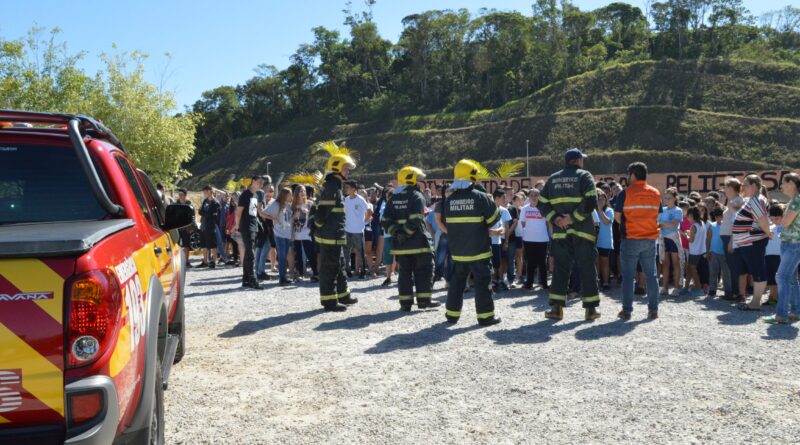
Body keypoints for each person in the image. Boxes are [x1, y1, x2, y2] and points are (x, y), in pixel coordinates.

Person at [538, 148, 601, 321]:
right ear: (578, 160)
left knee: (560, 270)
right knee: (587, 268)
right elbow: (591, 200)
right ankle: (590, 310)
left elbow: (541, 204)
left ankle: (557, 310)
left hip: (560, 233)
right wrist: (572, 218)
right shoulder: (584, 175)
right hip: (582, 232)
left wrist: (557, 219)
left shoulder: (553, 178)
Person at [442, 159, 501, 326]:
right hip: (479, 251)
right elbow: (494, 219)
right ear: (473, 175)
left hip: (459, 252)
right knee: (482, 283)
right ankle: (485, 316)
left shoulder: (449, 200)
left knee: (457, 283)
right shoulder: (480, 197)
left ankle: (452, 315)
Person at [382, 166, 440, 311]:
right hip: (418, 242)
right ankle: (424, 301)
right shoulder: (416, 196)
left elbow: (385, 220)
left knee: (405, 274)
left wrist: (397, 233)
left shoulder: (394, 198)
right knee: (424, 270)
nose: (419, 182)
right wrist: (406, 232)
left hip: (401, 245)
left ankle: (405, 303)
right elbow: (416, 219)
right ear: (411, 179)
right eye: (418, 179)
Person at [614, 162, 662, 320]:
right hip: (650, 239)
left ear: (632, 175)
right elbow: (658, 215)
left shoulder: (625, 193)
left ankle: (627, 311)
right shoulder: (655, 193)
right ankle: (653, 310)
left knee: (628, 276)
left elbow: (617, 216)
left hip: (631, 239)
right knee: (651, 276)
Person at [314, 152, 359, 311]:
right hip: (330, 236)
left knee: (340, 265)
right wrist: (322, 229)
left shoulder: (335, 186)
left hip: (335, 235)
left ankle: (343, 294)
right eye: (345, 168)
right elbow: (321, 214)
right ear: (336, 168)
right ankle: (329, 301)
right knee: (330, 268)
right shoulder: (332, 186)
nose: (348, 171)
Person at [732, 175, 773, 311]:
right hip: (749, 242)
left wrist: (768, 233)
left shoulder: (757, 200)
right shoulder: (754, 199)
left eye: (746, 185)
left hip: (753, 241)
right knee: (756, 270)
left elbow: (762, 221)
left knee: (758, 271)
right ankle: (755, 301)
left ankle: (755, 303)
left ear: (754, 185)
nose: (743, 187)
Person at [765, 173, 800, 324]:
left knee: (781, 277)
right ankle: (795, 311)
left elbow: (785, 223)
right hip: (792, 244)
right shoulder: (795, 200)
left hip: (792, 244)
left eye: (783, 183)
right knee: (790, 278)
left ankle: (781, 314)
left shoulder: (795, 201)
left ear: (791, 183)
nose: (781, 186)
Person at [236, 175, 266, 289]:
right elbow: (238, 212)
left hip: (254, 226)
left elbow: (255, 212)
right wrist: (238, 227)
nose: (261, 185)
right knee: (251, 253)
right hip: (246, 227)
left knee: (249, 253)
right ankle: (252, 279)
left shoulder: (256, 195)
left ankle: (246, 279)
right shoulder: (245, 194)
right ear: (253, 181)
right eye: (259, 182)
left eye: (262, 183)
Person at [520, 189, 550, 290]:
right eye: (531, 195)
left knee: (542, 263)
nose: (533, 197)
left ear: (539, 197)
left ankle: (544, 284)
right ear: (528, 197)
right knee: (530, 262)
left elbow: (548, 223)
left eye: (536, 195)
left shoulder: (544, 208)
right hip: (528, 239)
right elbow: (522, 222)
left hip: (542, 239)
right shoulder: (524, 209)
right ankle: (529, 284)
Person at [658, 188, 684, 296]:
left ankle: (676, 287)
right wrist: (664, 223)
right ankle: (664, 287)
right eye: (666, 198)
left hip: (673, 238)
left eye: (669, 198)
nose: (667, 200)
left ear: (675, 198)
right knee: (665, 263)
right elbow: (658, 223)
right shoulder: (662, 209)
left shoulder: (678, 210)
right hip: (663, 238)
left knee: (676, 262)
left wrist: (664, 223)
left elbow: (673, 224)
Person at [266, 187, 294, 286]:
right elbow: (263, 213)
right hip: (279, 234)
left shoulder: (288, 205)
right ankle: (282, 278)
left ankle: (284, 277)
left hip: (287, 234)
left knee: (284, 256)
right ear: (285, 195)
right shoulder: (276, 204)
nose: (292, 196)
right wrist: (274, 218)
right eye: (290, 194)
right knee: (282, 256)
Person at [721, 178, 744, 298]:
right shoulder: (732, 200)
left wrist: (732, 240)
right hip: (727, 236)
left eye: (726, 187)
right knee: (731, 265)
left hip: (731, 237)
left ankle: (736, 293)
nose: (724, 190)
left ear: (730, 188)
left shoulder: (738, 200)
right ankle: (734, 291)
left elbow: (737, 220)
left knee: (734, 265)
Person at [343, 181, 371, 279]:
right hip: (347, 230)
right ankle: (347, 270)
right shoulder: (346, 199)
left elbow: (369, 211)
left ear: (354, 189)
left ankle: (362, 271)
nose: (346, 189)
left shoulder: (360, 199)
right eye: (345, 187)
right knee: (346, 251)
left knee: (360, 252)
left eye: (348, 187)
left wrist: (364, 221)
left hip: (358, 230)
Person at [291, 186, 317, 281]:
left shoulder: (309, 204)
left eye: (304, 191)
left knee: (310, 254)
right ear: (296, 193)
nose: (302, 193)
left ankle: (316, 273)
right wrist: (292, 233)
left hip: (307, 233)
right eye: (300, 191)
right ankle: (300, 274)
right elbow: (291, 221)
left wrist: (308, 212)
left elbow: (315, 216)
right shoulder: (293, 206)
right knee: (298, 255)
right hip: (296, 233)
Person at [706, 207, 731, 298]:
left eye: (720, 216)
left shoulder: (727, 226)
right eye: (716, 217)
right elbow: (708, 239)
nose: (718, 218)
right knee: (713, 272)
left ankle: (728, 291)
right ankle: (712, 290)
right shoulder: (712, 226)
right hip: (713, 252)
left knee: (726, 273)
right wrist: (708, 250)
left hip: (725, 253)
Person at [490, 189, 512, 291]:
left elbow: (505, 227)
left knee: (498, 262)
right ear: (497, 198)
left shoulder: (503, 210)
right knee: (489, 263)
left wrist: (506, 241)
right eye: (503, 197)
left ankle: (499, 281)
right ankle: (491, 283)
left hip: (499, 240)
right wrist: (495, 232)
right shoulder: (488, 210)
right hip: (487, 241)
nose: (505, 199)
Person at [764, 204, 784, 306]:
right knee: (771, 278)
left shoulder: (785, 228)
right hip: (768, 256)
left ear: (782, 216)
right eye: (773, 217)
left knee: (780, 278)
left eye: (778, 217)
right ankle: (772, 297)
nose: (776, 219)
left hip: (781, 256)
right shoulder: (769, 228)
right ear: (770, 216)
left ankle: (780, 298)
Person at [685, 206, 707, 296]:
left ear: (691, 215)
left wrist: (685, 235)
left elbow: (691, 240)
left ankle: (698, 288)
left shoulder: (693, 226)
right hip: (701, 251)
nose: (687, 218)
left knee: (693, 269)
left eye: (688, 216)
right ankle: (686, 287)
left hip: (694, 251)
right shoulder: (701, 223)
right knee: (690, 268)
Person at [255, 183, 275, 281]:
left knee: (261, 249)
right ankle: (259, 271)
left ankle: (258, 271)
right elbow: (260, 212)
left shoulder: (270, 201)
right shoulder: (260, 195)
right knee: (263, 248)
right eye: (268, 189)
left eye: (271, 191)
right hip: (262, 227)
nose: (268, 192)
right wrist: (274, 218)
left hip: (265, 227)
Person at [595, 190, 614, 291]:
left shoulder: (609, 211)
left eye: (603, 199)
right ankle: (596, 282)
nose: (601, 201)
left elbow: (607, 222)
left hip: (605, 241)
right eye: (599, 199)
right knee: (596, 262)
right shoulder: (593, 211)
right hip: (594, 241)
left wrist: (600, 210)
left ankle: (606, 282)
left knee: (604, 262)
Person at [198, 185, 220, 269]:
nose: (204, 194)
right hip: (203, 225)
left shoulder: (215, 202)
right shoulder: (205, 201)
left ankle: (213, 261)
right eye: (204, 192)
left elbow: (212, 216)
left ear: (210, 191)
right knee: (204, 244)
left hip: (210, 226)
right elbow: (200, 211)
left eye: (206, 192)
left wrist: (203, 212)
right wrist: (204, 213)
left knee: (213, 245)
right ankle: (205, 261)